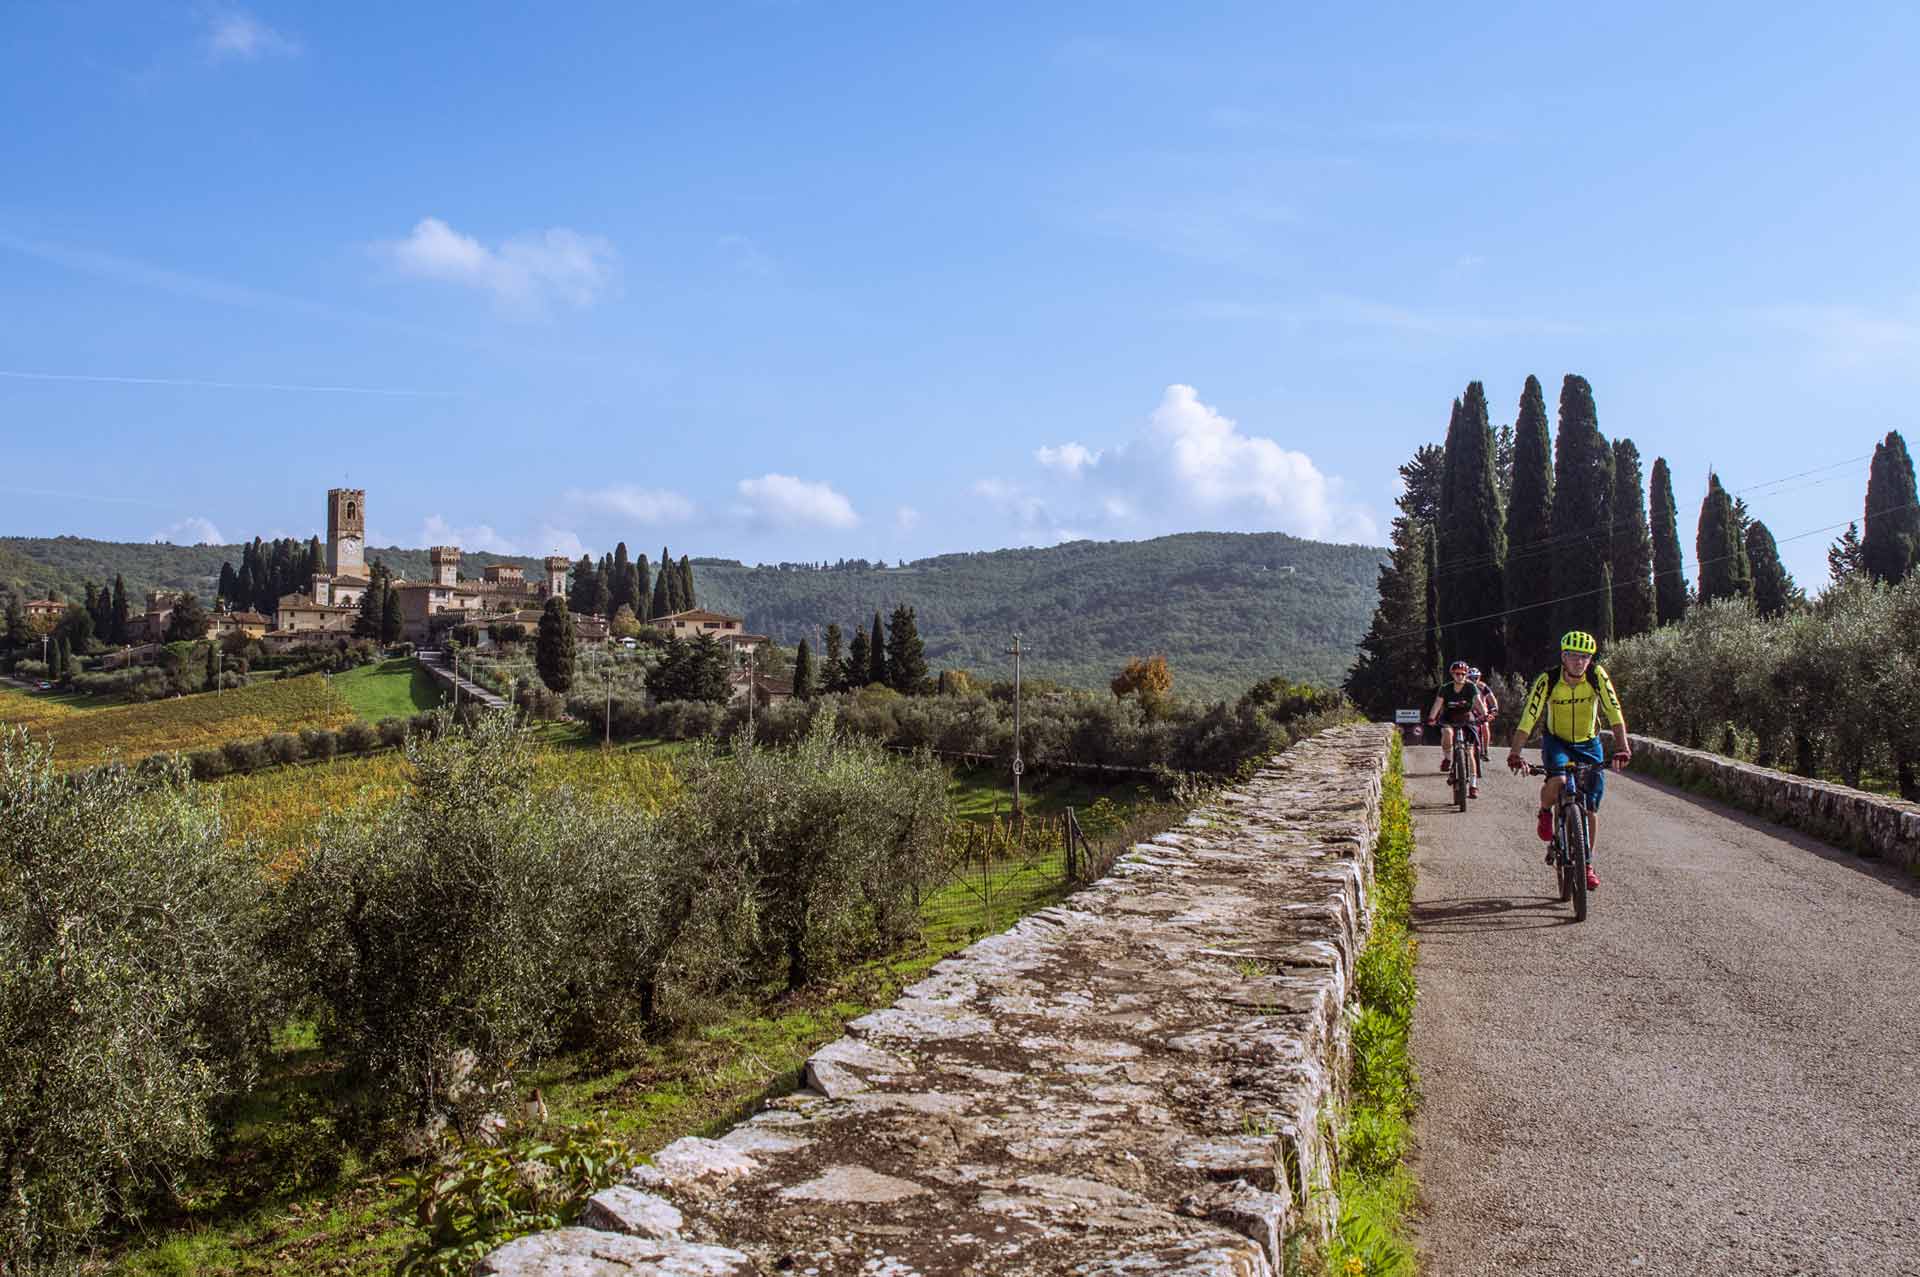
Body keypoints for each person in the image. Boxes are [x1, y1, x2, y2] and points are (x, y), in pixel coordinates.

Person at [1506, 630, 1631, 891]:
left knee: (1590, 808)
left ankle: (1586, 864)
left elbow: (1613, 710)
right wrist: (1515, 753)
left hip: (1589, 742)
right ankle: (1544, 812)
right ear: (1563, 657)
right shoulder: (1548, 680)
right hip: (1557, 741)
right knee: (1558, 779)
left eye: (1585, 657)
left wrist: (1623, 748)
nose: (1579, 662)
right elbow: (1529, 717)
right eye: (1573, 656)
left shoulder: (1597, 676)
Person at [1426, 660, 1484, 799]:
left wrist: (1484, 715)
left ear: (1466, 675)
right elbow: (1437, 704)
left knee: (1470, 752)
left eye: (1463, 674)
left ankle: (1474, 785)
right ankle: (1447, 759)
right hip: (1449, 717)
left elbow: (1478, 702)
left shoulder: (1471, 687)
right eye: (1457, 674)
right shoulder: (1445, 688)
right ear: (1452, 674)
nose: (1460, 676)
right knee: (1447, 732)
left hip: (1466, 717)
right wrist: (1431, 718)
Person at [1469, 666, 1497, 762]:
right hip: (1469, 712)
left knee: (1485, 726)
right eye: (1471, 678)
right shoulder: (1463, 687)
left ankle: (1485, 750)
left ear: (1479, 678)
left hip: (1482, 712)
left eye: (1476, 677)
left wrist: (1494, 708)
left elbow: (1492, 698)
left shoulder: (1482, 686)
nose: (1474, 680)